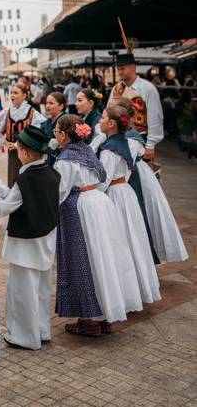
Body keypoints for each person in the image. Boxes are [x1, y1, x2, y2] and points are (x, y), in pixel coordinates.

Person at [53, 115, 142, 338]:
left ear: (63, 135)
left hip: (80, 208)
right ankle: (105, 314)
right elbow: (102, 179)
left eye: (56, 131)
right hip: (100, 204)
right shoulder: (88, 152)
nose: (55, 135)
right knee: (103, 257)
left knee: (83, 259)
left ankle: (88, 319)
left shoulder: (64, 160)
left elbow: (60, 192)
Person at [0, 125, 61, 351]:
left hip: (25, 243)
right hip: (45, 239)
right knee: (42, 289)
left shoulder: (26, 180)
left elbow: (5, 207)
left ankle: (24, 336)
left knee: (22, 290)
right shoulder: (52, 173)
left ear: (25, 153)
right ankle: (42, 330)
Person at [95, 106, 161, 305]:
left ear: (112, 123)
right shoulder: (123, 142)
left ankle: (126, 294)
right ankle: (139, 289)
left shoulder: (109, 149)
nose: (99, 121)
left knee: (120, 242)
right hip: (126, 193)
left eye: (103, 117)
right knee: (133, 240)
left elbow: (103, 181)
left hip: (115, 195)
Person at [111, 96, 188, 265]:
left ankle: (145, 257)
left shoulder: (131, 137)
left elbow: (125, 162)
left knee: (141, 211)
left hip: (134, 175)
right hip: (128, 173)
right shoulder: (121, 134)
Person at [0, 83, 45, 186]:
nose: (12, 95)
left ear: (24, 95)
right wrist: (3, 141)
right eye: (11, 92)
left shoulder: (32, 112)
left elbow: (41, 128)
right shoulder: (8, 111)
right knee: (13, 176)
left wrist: (18, 144)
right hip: (12, 150)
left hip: (27, 151)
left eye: (16, 93)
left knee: (26, 176)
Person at [108, 53, 164, 161]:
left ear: (133, 67)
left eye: (123, 68)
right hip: (118, 138)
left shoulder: (148, 88)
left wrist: (150, 145)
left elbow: (155, 117)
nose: (120, 72)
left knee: (140, 174)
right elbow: (109, 112)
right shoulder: (116, 88)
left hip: (140, 138)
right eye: (118, 69)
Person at [39, 91, 67, 165]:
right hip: (47, 158)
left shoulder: (67, 121)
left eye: (51, 103)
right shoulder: (47, 122)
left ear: (61, 106)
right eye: (46, 103)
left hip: (61, 160)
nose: (47, 106)